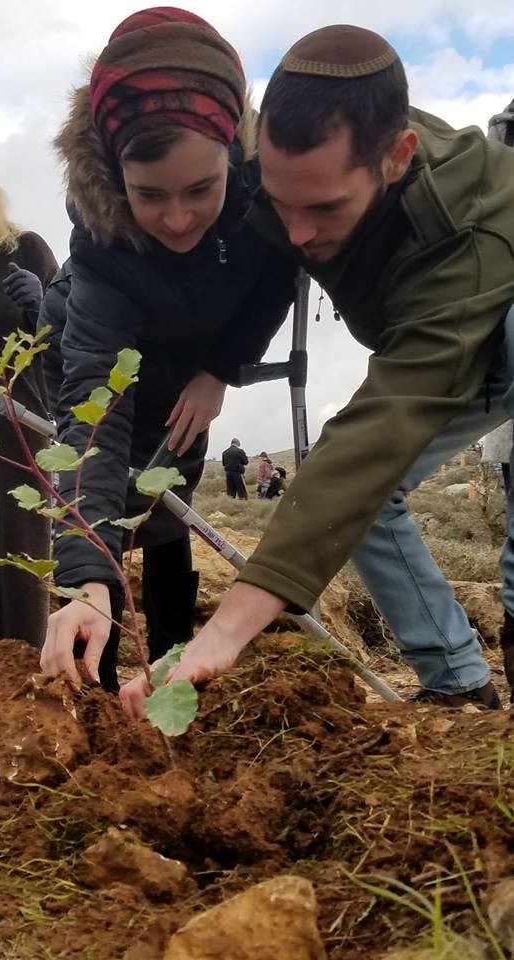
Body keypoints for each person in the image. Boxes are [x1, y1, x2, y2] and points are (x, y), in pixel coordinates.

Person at [120, 23, 514, 719]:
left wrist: (231, 625)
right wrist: (217, 367)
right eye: (281, 202)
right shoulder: (275, 167)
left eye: (326, 208)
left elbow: (390, 418)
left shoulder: (465, 228)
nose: (297, 233)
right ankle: (457, 679)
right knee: (358, 497)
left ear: (397, 158)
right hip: (427, 346)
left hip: (495, 327)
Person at [38, 7, 296, 692]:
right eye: (149, 195)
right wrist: (85, 579)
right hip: (108, 374)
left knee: (170, 508)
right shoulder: (101, 255)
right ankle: (100, 673)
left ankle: (177, 660)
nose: (177, 218)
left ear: (234, 155)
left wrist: (222, 370)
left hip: (190, 381)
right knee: (110, 518)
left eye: (199, 189)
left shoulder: (268, 201)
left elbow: (276, 285)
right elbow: (92, 409)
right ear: (114, 174)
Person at [0, 163, 58, 647]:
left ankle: (26, 680)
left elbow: (69, 340)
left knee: (19, 555)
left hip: (17, 429)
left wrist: (43, 306)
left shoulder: (22, 249)